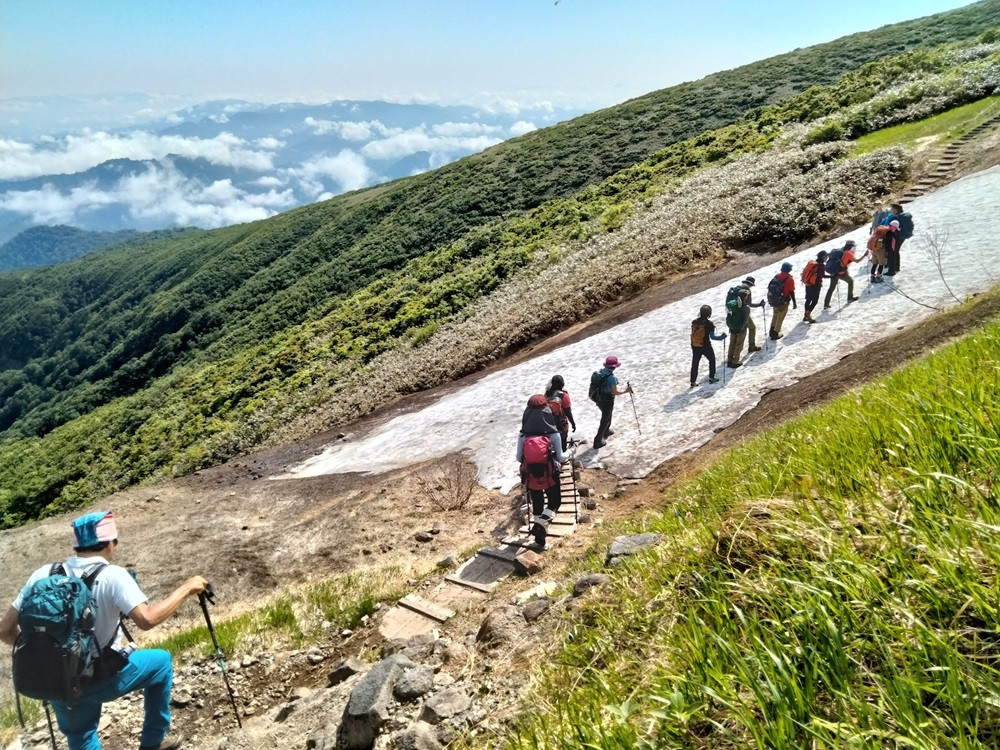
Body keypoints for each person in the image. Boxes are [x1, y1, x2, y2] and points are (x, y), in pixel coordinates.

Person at [0, 511, 208, 750]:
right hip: (100, 677)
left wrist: (43, 654)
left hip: (55, 678)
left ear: (76, 545)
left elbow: (4, 630)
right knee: (161, 662)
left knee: (81, 735)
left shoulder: (42, 574)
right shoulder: (113, 575)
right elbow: (147, 620)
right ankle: (152, 742)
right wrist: (186, 588)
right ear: (111, 544)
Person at [516, 395, 573, 547]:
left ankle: (538, 534)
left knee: (537, 501)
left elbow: (519, 457)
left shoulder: (523, 434)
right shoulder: (553, 434)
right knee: (555, 502)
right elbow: (561, 458)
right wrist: (571, 451)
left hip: (530, 476)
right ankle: (540, 526)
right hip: (550, 475)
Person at [591, 355, 632, 449]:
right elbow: (615, 392)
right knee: (605, 419)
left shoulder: (600, 372)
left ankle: (606, 431)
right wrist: (626, 391)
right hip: (606, 400)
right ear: (614, 367)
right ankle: (598, 441)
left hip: (598, 398)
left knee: (607, 415)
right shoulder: (611, 377)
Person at [726, 277, 764, 369]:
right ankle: (751, 346)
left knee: (732, 341)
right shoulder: (746, 292)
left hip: (734, 316)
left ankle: (729, 359)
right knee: (751, 329)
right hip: (743, 317)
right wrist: (759, 304)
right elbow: (749, 304)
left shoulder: (735, 289)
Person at [823, 240, 867, 310]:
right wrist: (865, 255)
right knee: (850, 281)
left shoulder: (838, 251)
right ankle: (850, 298)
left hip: (833, 272)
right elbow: (857, 261)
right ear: (851, 247)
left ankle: (826, 304)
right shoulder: (848, 253)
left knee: (831, 288)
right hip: (841, 273)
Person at [690, 305, 727, 386]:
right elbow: (713, 337)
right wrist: (722, 337)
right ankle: (711, 377)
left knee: (695, 363)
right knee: (712, 359)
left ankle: (692, 382)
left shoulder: (694, 322)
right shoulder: (709, 324)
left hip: (695, 345)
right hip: (705, 345)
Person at [544, 375, 576, 449]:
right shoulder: (564, 395)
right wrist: (573, 423)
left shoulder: (546, 394)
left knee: (551, 444)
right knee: (562, 443)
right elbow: (568, 412)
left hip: (548, 424)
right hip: (561, 425)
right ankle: (563, 455)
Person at [766, 262, 797, 340]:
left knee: (775, 315)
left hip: (774, 300)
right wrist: (794, 302)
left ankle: (771, 331)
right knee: (780, 317)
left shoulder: (777, 276)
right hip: (783, 301)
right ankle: (775, 334)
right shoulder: (790, 279)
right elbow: (791, 292)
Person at [885, 203, 914, 273]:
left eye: (892, 209)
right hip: (903, 236)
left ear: (895, 209)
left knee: (892, 252)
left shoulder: (897, 218)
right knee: (896, 251)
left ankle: (891, 271)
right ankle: (896, 267)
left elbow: (893, 229)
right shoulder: (904, 216)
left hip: (897, 237)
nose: (891, 210)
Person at [801, 250, 828, 323]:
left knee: (808, 300)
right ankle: (807, 315)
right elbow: (821, 276)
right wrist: (832, 276)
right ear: (823, 257)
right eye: (826, 257)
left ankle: (805, 315)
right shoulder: (821, 265)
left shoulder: (813, 263)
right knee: (815, 301)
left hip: (808, 283)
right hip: (816, 285)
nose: (827, 258)